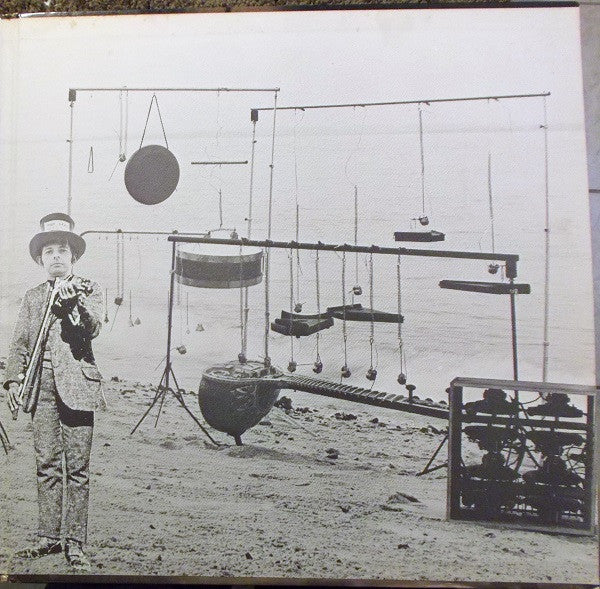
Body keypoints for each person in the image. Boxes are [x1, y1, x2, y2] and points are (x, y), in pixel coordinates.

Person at [3, 213, 105, 572]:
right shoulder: (33, 297)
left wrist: (73, 305)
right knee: (46, 465)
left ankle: (75, 544)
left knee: (77, 469)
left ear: (73, 256)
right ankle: (48, 538)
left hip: (78, 387)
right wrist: (12, 381)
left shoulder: (89, 289)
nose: (56, 257)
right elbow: (19, 343)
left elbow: (92, 329)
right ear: (40, 259)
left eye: (62, 250)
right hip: (40, 389)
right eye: (49, 252)